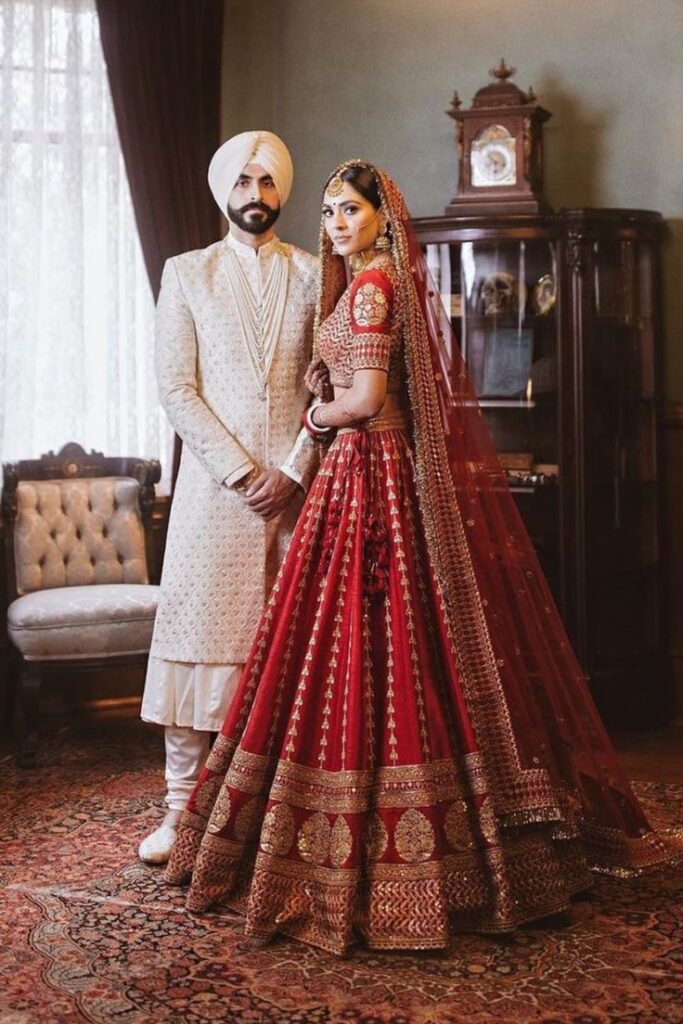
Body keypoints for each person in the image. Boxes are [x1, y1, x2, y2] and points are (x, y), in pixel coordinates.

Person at [163, 161, 681, 954]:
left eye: (351, 210)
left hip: (366, 467)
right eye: (330, 211)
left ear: (383, 215)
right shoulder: (370, 282)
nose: (335, 223)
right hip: (366, 468)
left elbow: (368, 401)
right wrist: (325, 379)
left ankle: (369, 839)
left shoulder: (370, 288)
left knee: (363, 637)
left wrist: (320, 407)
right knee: (384, 634)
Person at [138, 132, 319, 865]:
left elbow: (330, 384)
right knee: (195, 647)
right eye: (243, 182)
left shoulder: (314, 275)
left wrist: (293, 470)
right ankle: (181, 814)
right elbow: (176, 389)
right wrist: (244, 474)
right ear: (224, 191)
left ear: (283, 192)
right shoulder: (186, 273)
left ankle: (275, 817)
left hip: (297, 494)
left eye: (268, 183)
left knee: (287, 655)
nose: (256, 195)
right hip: (216, 499)